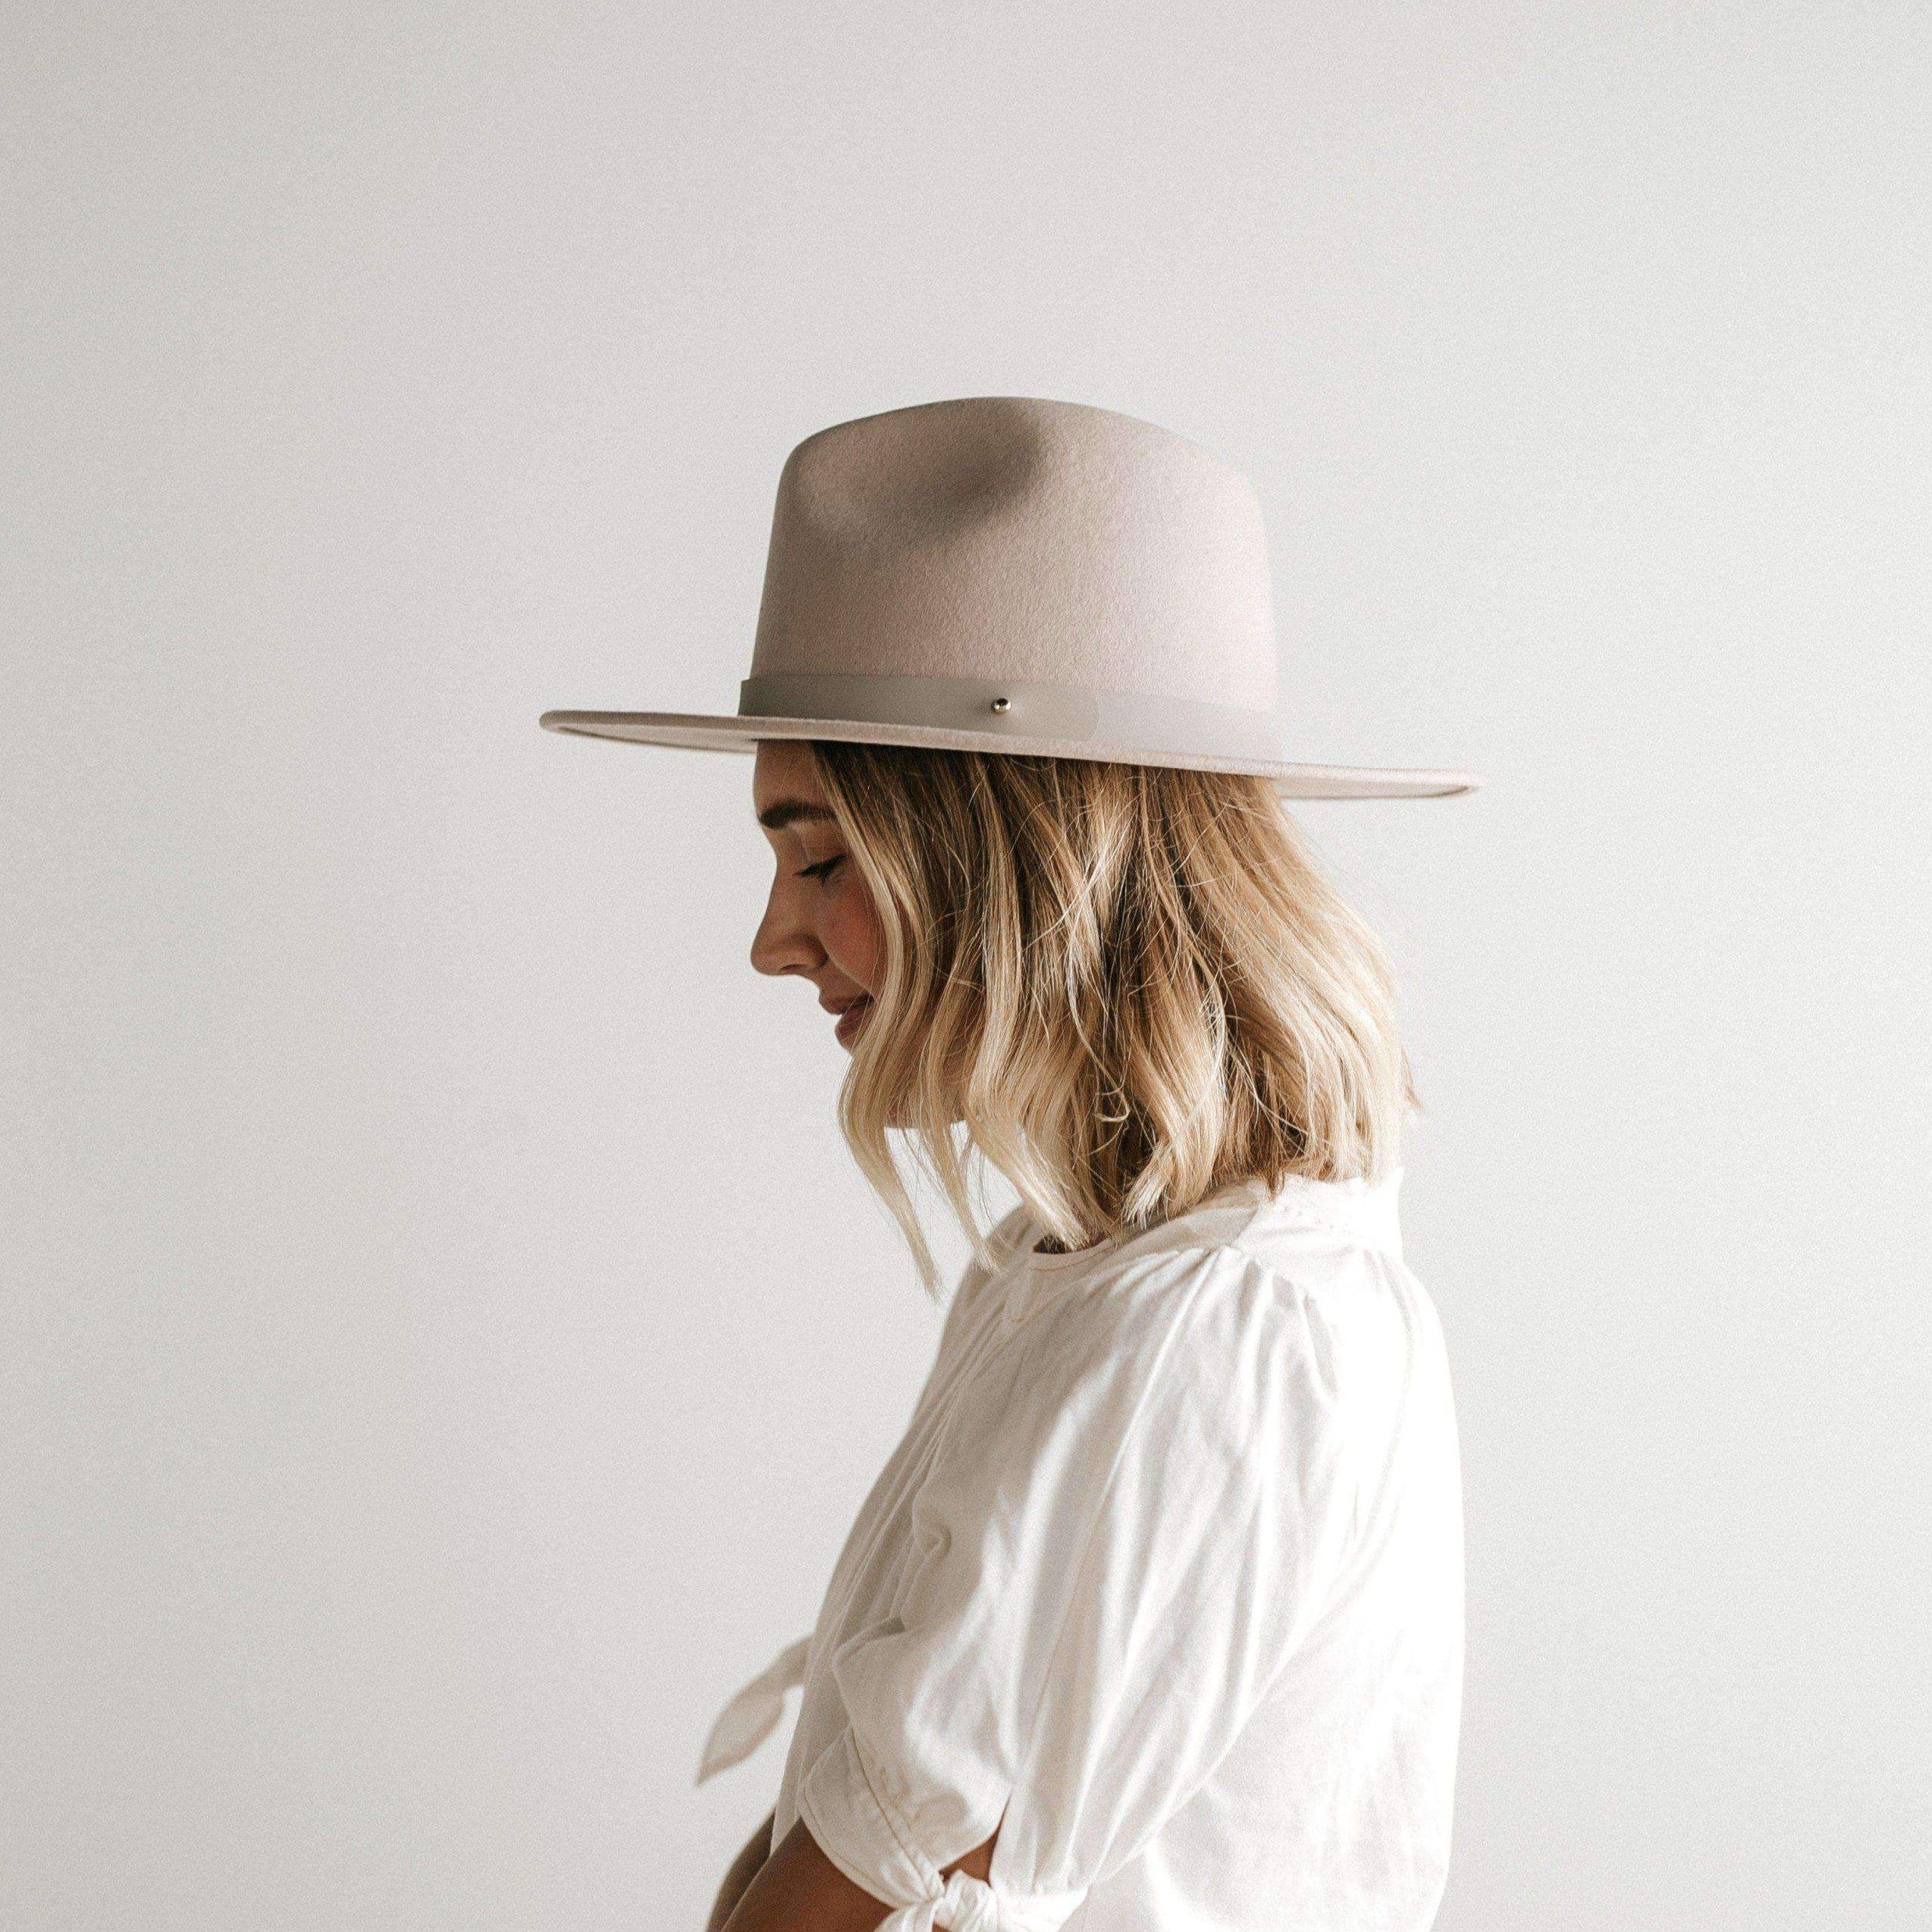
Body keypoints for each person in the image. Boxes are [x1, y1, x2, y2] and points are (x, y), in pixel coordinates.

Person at [541, 396, 1480, 1931]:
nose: (775, 937)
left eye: (822, 854)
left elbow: (873, 1892)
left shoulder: (1214, 1332)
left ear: (1022, 864)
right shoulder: (1098, 1284)